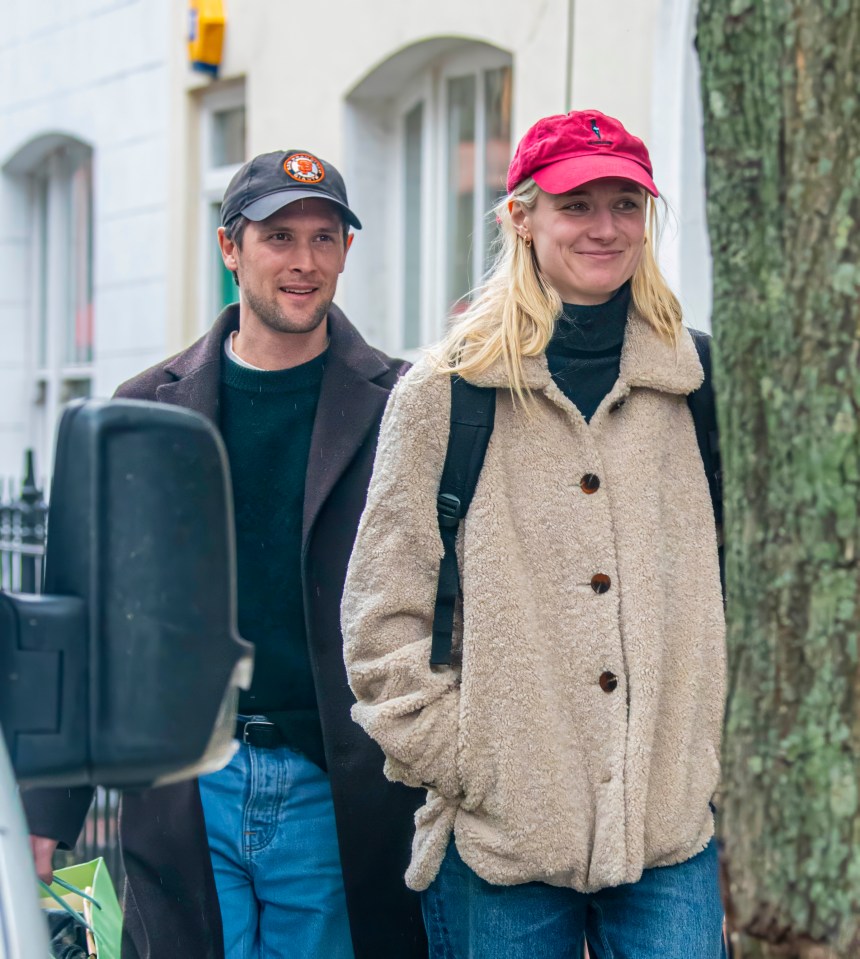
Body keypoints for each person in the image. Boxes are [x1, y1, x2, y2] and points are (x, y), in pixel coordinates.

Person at [23, 150, 427, 959]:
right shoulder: (144, 409)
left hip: (337, 783)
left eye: (324, 236)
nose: (304, 261)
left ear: (347, 250)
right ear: (229, 248)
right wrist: (46, 815)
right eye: (278, 236)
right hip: (185, 783)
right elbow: (82, 609)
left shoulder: (406, 407)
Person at [341, 111, 727, 958]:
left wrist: (706, 753)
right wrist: (477, 764)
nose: (605, 227)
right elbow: (381, 617)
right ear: (521, 216)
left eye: (625, 203)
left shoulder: (695, 387)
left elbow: (745, 590)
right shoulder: (446, 391)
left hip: (670, 832)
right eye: (576, 203)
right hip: (501, 838)